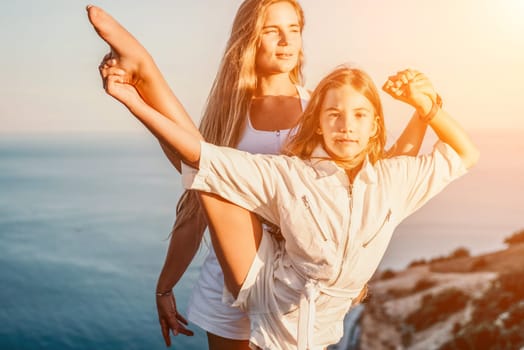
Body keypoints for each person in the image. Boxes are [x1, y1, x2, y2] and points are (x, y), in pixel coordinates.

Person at [87, 2, 429, 348]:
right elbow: (198, 206)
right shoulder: (229, 114)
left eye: (294, 30)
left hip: (296, 286)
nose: (286, 41)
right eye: (272, 30)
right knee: (205, 164)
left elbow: (382, 178)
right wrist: (165, 285)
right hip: (229, 283)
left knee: (201, 158)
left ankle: (146, 73)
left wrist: (424, 111)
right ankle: (143, 75)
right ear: (250, 38)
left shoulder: (326, 111)